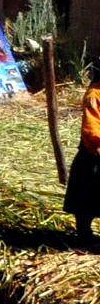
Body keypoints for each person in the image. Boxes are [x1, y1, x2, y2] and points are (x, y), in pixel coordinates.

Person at [66, 61, 100, 246]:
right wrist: (97, 142)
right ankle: (84, 234)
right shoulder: (95, 94)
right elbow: (91, 125)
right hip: (93, 154)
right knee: (87, 195)